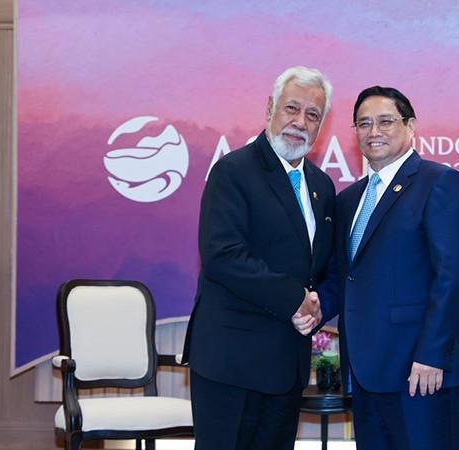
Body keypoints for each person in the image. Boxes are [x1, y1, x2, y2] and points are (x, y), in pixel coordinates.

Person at [182, 66, 335, 450]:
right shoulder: (233, 171)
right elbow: (223, 255)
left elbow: (323, 267)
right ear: (270, 108)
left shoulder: (321, 186)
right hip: (232, 364)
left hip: (287, 366)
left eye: (312, 115)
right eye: (292, 108)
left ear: (321, 125)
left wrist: (318, 307)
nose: (300, 122)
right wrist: (295, 299)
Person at [318, 86, 459, 449]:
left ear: (411, 126)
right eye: (364, 123)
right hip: (366, 373)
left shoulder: (440, 182)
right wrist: (312, 309)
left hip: (420, 372)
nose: (374, 131)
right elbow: (344, 279)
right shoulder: (348, 201)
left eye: (386, 121)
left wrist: (432, 355)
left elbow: (450, 278)